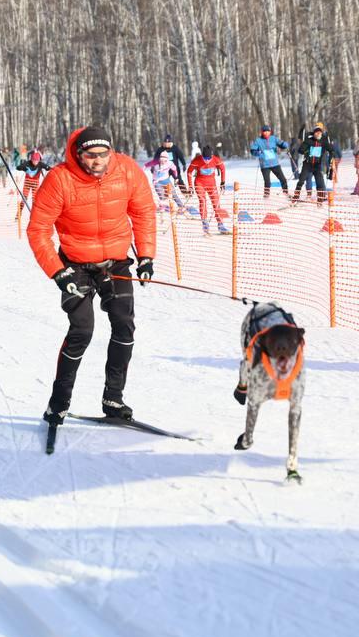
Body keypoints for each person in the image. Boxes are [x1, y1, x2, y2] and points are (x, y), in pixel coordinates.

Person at [27, 126, 156, 425]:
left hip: (116, 262)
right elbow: (38, 230)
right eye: (91, 155)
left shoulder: (126, 171)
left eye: (104, 154)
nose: (98, 161)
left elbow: (143, 211)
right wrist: (58, 273)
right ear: (78, 154)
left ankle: (114, 398)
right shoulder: (59, 179)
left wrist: (147, 255)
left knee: (124, 325)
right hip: (75, 265)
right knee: (82, 331)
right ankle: (58, 404)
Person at [187, 146, 229, 233]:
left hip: (211, 184)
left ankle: (220, 224)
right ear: (202, 156)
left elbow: (223, 169)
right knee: (203, 201)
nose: (206, 160)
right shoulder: (197, 160)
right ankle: (205, 223)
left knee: (216, 203)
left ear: (212, 155)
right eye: (205, 158)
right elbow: (189, 172)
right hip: (199, 183)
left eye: (208, 158)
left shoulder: (216, 159)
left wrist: (222, 182)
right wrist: (190, 186)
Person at [291, 127, 331, 205]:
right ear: (314, 133)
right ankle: (295, 197)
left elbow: (330, 149)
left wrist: (331, 155)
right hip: (307, 165)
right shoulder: (309, 141)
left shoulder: (323, 142)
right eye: (316, 133)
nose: (318, 134)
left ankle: (320, 200)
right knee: (301, 181)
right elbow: (300, 150)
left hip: (317, 165)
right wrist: (306, 151)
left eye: (320, 133)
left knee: (319, 182)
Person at [249, 124, 289, 197]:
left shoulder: (273, 138)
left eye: (268, 131)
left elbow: (282, 144)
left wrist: (285, 144)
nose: (266, 133)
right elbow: (252, 150)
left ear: (270, 132)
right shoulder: (258, 141)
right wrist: (258, 153)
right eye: (265, 131)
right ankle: (266, 196)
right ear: (262, 132)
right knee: (267, 182)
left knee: (283, 179)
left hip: (275, 163)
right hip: (265, 165)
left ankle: (286, 194)